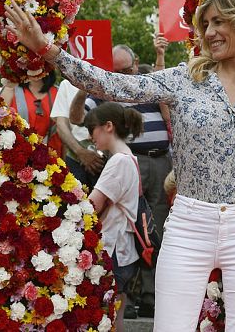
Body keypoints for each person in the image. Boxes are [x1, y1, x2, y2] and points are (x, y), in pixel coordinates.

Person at [5, 0, 235, 332]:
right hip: (189, 225)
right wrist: (48, 50)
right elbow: (112, 84)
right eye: (206, 24)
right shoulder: (185, 79)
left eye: (219, 22)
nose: (210, 32)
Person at [70, 41, 173, 319]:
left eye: (125, 70)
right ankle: (131, 294)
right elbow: (77, 118)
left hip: (158, 161)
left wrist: (160, 57)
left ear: (136, 64)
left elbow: (169, 116)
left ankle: (151, 295)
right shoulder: (104, 88)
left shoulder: (148, 85)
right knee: (130, 226)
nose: (121, 76)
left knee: (153, 227)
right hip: (130, 159)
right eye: (115, 71)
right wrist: (86, 86)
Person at [84, 102, 144, 332]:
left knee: (106, 316)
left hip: (114, 247)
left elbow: (93, 204)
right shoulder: (129, 158)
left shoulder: (119, 161)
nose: (90, 136)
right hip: (124, 249)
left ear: (108, 126)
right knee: (116, 317)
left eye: (92, 129)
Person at [50, 79, 105, 191]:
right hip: (76, 157)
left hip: (108, 156)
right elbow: (61, 124)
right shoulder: (68, 83)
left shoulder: (112, 80)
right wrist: (80, 152)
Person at [0, 70, 61, 154]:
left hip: (51, 155)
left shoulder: (58, 92)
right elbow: (0, 119)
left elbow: (64, 128)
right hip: (18, 153)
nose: (35, 69)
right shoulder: (11, 88)